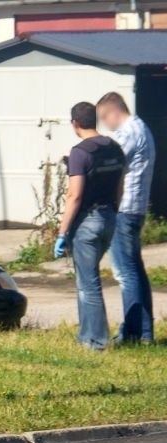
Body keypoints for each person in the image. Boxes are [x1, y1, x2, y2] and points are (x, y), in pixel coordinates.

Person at [54, 102, 126, 351]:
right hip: (109, 218)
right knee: (87, 280)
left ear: (75, 123)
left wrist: (62, 232)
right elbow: (120, 184)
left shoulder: (80, 152)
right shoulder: (115, 147)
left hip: (88, 222)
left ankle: (96, 342)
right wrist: (113, 211)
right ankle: (86, 335)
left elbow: (74, 195)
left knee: (88, 283)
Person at [96, 92, 156, 344]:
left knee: (125, 274)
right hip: (135, 208)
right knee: (135, 272)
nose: (104, 124)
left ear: (113, 112)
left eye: (103, 118)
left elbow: (111, 161)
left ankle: (133, 333)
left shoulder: (129, 132)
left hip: (124, 209)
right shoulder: (141, 128)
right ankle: (142, 331)